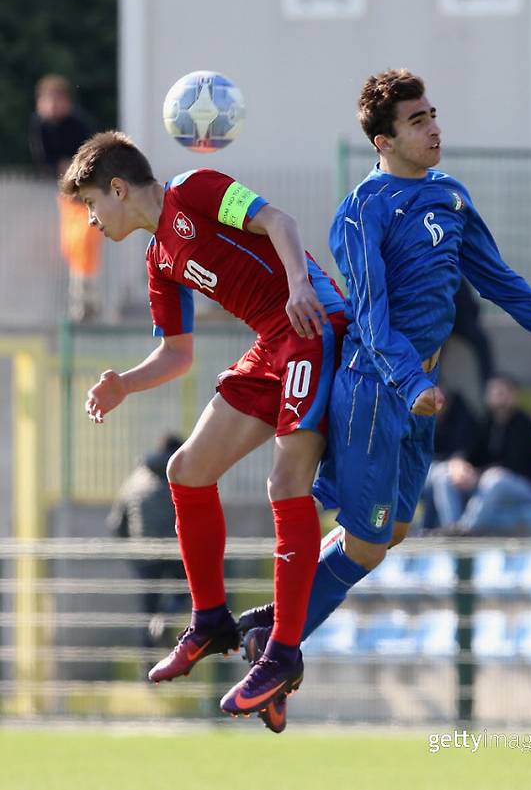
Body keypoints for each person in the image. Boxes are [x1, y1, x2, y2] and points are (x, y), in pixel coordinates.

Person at [238, 68, 531, 733]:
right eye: (417, 120)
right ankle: (278, 654)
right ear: (384, 140)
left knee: (391, 537)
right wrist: (413, 384)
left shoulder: (451, 197)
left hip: (417, 395)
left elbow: (505, 284)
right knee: (366, 539)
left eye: (433, 114)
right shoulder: (362, 210)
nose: (434, 126)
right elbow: (373, 317)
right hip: (378, 390)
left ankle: (277, 620)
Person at [59, 131, 347, 719]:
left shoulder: (195, 189)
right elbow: (177, 353)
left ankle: (283, 652)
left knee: (285, 483)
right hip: (272, 344)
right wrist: (124, 385)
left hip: (312, 325)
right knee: (185, 470)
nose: (91, 220)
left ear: (118, 189)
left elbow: (281, 223)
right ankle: (211, 620)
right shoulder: (158, 258)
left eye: (91, 203)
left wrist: (298, 284)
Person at [430, 375, 531, 535]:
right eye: (492, 392)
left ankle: (467, 530)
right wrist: (462, 466)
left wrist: (479, 474)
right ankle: (452, 527)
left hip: (525, 487)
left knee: (494, 479)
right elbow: (473, 454)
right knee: (445, 475)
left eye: (501, 392)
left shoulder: (524, 424)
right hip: (487, 481)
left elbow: (517, 465)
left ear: (513, 395)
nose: (496, 397)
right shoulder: (487, 423)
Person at [29, 74, 102, 322]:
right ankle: (80, 300)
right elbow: (45, 161)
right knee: (71, 246)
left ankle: (86, 301)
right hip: (67, 195)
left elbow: (92, 154)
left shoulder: (77, 124)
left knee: (85, 243)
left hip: (86, 193)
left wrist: (76, 171)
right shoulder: (40, 125)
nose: (52, 107)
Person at [106, 434, 188, 648]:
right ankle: (167, 615)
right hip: (179, 551)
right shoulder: (184, 475)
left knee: (146, 612)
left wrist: (133, 551)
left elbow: (116, 524)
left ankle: (147, 669)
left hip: (145, 554)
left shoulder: (135, 480)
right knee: (189, 591)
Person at [420, 389, 480, 532]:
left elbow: (469, 449)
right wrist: (451, 464)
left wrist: (457, 462)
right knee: (442, 474)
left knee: (444, 478)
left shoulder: (461, 416)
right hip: (416, 474)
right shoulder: (414, 417)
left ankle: (453, 531)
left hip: (456, 477)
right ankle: (451, 531)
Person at [450, 278, 494, 390]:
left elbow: (469, 304)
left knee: (481, 343)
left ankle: (489, 386)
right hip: (435, 322)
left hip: (460, 320)